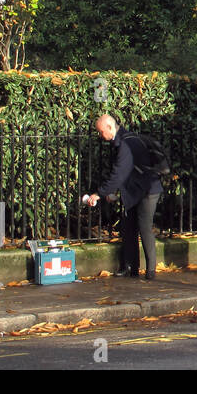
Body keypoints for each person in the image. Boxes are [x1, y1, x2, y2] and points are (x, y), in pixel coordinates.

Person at [85, 114, 162, 281]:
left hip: (148, 190)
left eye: (100, 132)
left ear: (110, 127)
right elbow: (128, 172)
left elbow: (118, 174)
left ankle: (150, 270)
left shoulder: (125, 144)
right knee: (128, 227)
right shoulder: (124, 140)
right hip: (136, 189)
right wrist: (115, 193)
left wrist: (100, 194)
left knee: (144, 226)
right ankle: (131, 267)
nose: (100, 136)